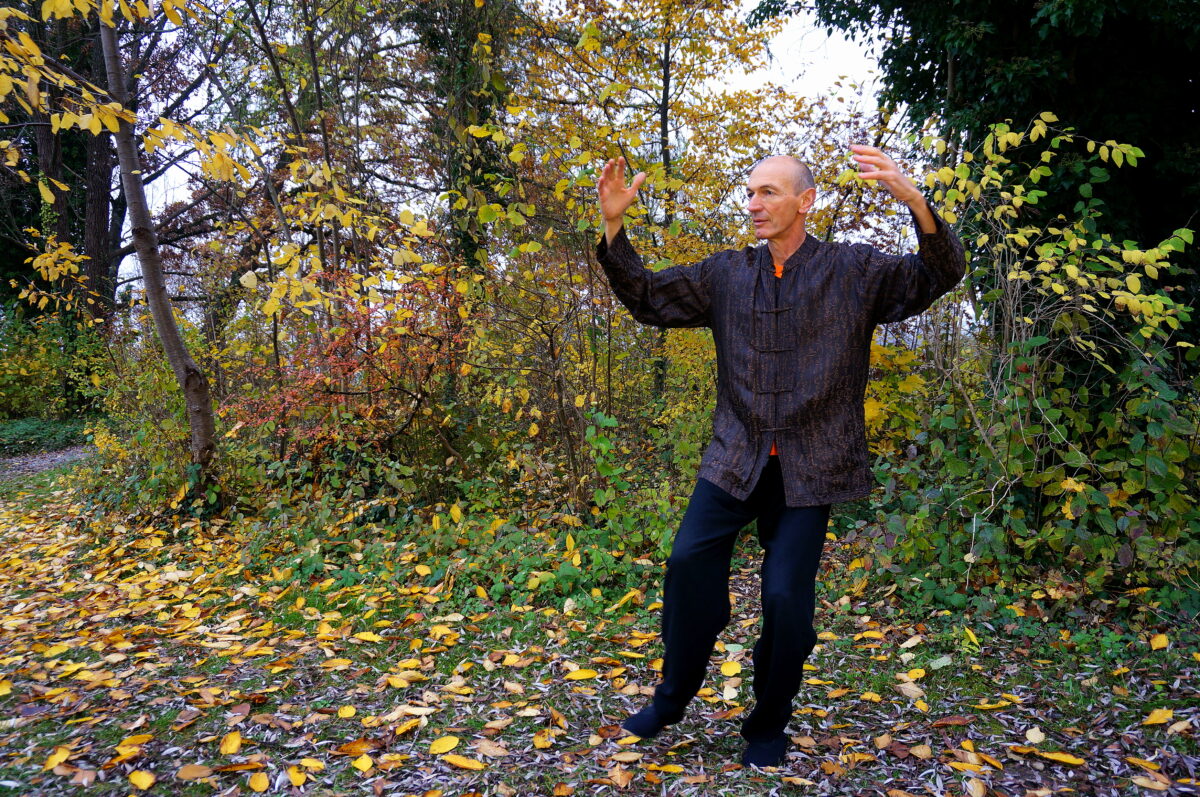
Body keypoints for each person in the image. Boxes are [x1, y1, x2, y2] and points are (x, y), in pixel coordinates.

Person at [594, 147, 965, 767]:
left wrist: (914, 201)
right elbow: (650, 300)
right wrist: (614, 227)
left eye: (769, 192)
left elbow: (937, 275)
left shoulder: (853, 271)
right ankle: (672, 695)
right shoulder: (727, 275)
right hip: (734, 456)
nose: (754, 204)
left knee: (787, 599)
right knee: (687, 563)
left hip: (811, 463)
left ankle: (767, 722)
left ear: (805, 201)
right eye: (750, 192)